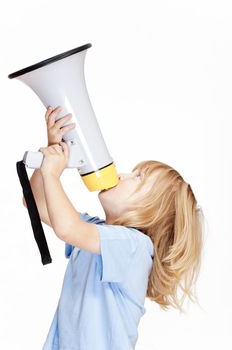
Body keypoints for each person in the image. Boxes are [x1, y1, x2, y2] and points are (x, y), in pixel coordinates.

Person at [22, 106, 205, 350]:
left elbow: (67, 228)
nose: (123, 174)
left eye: (138, 177)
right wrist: (50, 152)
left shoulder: (135, 247)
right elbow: (34, 203)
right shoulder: (95, 231)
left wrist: (53, 176)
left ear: (151, 211)